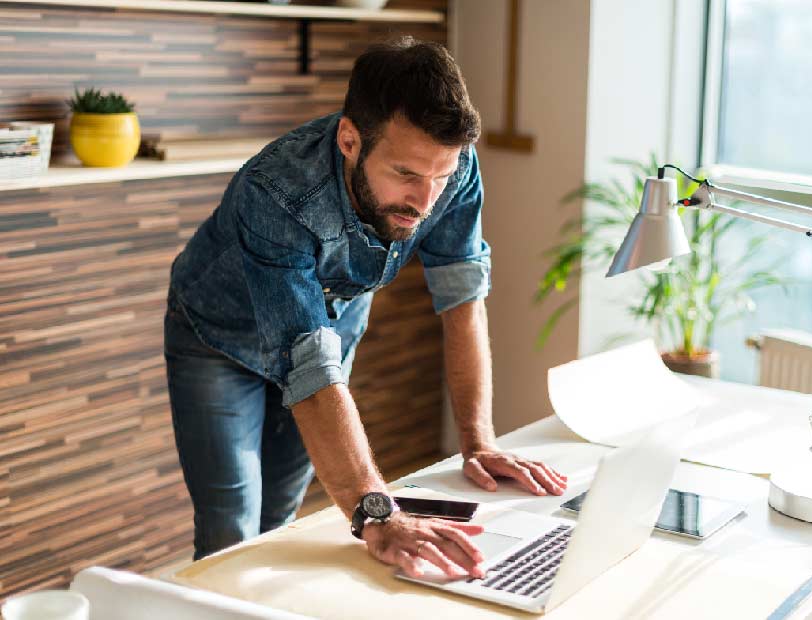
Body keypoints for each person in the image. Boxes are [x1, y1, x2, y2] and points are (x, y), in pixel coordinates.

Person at [163, 37, 568, 579]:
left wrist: (478, 441)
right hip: (219, 338)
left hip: (329, 329)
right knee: (231, 527)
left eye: (440, 178)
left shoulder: (448, 168)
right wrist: (377, 514)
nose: (425, 202)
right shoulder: (276, 191)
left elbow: (462, 297)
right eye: (405, 175)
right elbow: (305, 361)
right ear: (350, 140)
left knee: (281, 518)